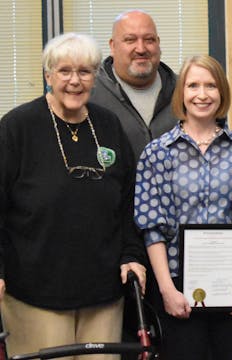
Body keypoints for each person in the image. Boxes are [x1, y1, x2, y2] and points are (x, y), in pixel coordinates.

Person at [0, 33, 146, 359]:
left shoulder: (108, 124)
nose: (75, 81)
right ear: (48, 75)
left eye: (84, 71)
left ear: (95, 77)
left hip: (104, 291)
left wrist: (132, 254)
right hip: (35, 291)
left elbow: (128, 201)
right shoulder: (17, 127)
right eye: (65, 71)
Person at [134, 54, 232, 359]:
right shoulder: (157, 153)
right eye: (193, 85)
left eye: (211, 85)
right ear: (181, 94)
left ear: (222, 92)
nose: (202, 94)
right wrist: (166, 290)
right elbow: (152, 227)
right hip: (176, 287)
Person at [90, 9, 177, 161]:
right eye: (130, 40)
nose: (141, 49)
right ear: (113, 46)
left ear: (158, 43)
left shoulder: (186, 92)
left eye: (149, 40)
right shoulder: (90, 94)